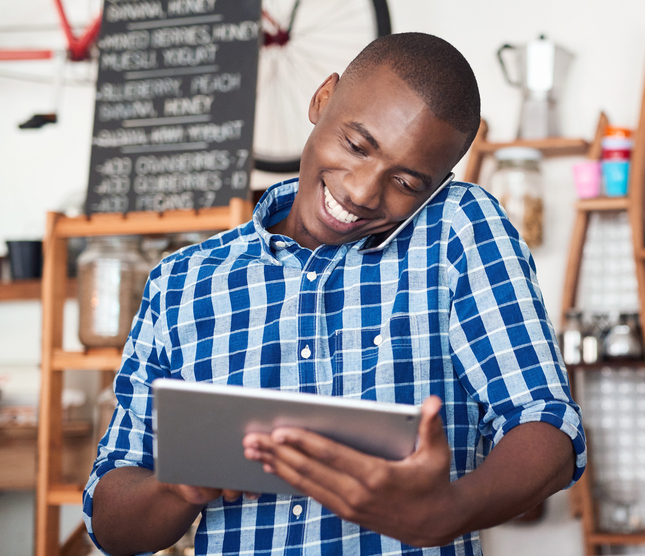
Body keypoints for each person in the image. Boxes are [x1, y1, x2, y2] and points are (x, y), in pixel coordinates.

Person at [83, 32, 586, 556]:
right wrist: (178, 486)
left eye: (408, 183)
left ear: (438, 185)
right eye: (356, 145)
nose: (364, 191)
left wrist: (452, 510)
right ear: (322, 100)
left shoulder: (459, 228)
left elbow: (546, 424)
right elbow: (111, 515)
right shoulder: (184, 282)